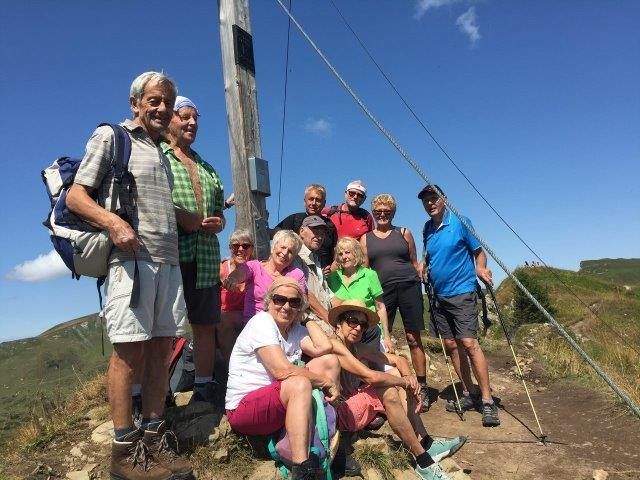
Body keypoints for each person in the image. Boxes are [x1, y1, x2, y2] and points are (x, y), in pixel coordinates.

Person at [66, 72, 192, 479]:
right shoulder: (112, 136)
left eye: (166, 103)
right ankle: (123, 453)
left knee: (160, 350)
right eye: (154, 101)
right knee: (128, 353)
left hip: (167, 261)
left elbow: (162, 210)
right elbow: (76, 195)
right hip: (131, 261)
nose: (161, 109)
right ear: (135, 102)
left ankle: (153, 439)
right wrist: (113, 224)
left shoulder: (160, 151)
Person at [329, 300, 466, 480]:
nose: (358, 328)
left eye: (362, 324)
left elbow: (399, 361)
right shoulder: (333, 346)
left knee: (394, 375)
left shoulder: (356, 347)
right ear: (339, 322)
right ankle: (423, 459)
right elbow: (372, 377)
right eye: (352, 321)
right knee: (389, 388)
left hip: (352, 407)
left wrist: (409, 378)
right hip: (338, 413)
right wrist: (405, 383)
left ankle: (425, 442)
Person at [225, 277, 341, 480]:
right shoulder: (261, 322)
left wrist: (306, 317)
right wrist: (325, 382)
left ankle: (322, 444)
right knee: (299, 382)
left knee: (329, 362)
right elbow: (282, 371)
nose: (286, 306)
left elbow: (325, 348)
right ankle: (301, 467)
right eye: (279, 299)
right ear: (268, 302)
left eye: (294, 302)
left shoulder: (294, 330)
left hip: (277, 402)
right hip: (245, 409)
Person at [418, 184, 500, 427]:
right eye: (426, 201)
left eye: (434, 198)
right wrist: (424, 266)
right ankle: (468, 392)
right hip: (438, 295)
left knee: (469, 343)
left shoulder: (461, 221)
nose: (430, 203)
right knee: (452, 344)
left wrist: (481, 268)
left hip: (462, 290)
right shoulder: (427, 228)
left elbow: (478, 251)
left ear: (444, 199)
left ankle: (487, 401)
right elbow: (429, 255)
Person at [162, 95, 225, 404]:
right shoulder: (156, 156)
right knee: (163, 326)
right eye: (184, 116)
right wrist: (181, 217)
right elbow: (145, 199)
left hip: (206, 255)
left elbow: (220, 215)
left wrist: (218, 223)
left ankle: (202, 385)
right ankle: (155, 392)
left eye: (195, 118)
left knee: (205, 322)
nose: (191, 123)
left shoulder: (208, 168)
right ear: (169, 119)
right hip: (170, 254)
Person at [360, 193, 430, 412]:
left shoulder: (404, 232)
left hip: (409, 286)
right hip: (383, 290)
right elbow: (366, 268)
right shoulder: (365, 238)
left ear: (393, 213)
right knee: (381, 336)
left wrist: (422, 271)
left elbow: (413, 261)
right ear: (373, 212)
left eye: (386, 211)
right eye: (378, 211)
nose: (382, 214)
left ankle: (422, 386)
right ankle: (384, 385)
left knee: (413, 337)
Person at [327, 237, 393, 357]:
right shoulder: (332, 278)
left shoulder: (370, 275)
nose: (344, 257)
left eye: (348, 252)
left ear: (356, 254)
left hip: (367, 329)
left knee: (367, 363)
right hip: (342, 330)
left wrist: (387, 336)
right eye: (340, 254)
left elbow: (380, 307)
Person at [222, 230, 306, 320]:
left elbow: (301, 303)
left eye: (290, 251)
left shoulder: (297, 274)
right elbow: (241, 273)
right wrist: (233, 279)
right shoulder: (255, 266)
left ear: (294, 257)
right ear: (273, 247)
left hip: (285, 326)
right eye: (283, 247)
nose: (285, 253)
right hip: (255, 324)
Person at [273, 184, 338, 270]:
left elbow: (336, 250)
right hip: (296, 270)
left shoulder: (329, 225)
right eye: (311, 199)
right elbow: (276, 238)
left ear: (324, 203)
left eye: (318, 200)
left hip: (324, 275)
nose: (314, 203)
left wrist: (331, 269)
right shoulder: (294, 219)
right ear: (305, 201)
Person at [293, 215, 335, 335]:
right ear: (302, 231)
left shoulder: (316, 258)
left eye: (322, 233)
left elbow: (326, 294)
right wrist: (330, 320)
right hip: (310, 321)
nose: (319, 237)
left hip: (324, 318)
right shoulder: (295, 258)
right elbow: (306, 294)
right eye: (315, 231)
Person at [218, 229, 255, 363]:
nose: (240, 249)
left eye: (245, 246)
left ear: (252, 248)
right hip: (226, 317)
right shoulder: (222, 269)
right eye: (235, 246)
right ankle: (232, 365)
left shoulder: (257, 268)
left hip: (249, 317)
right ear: (229, 248)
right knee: (225, 319)